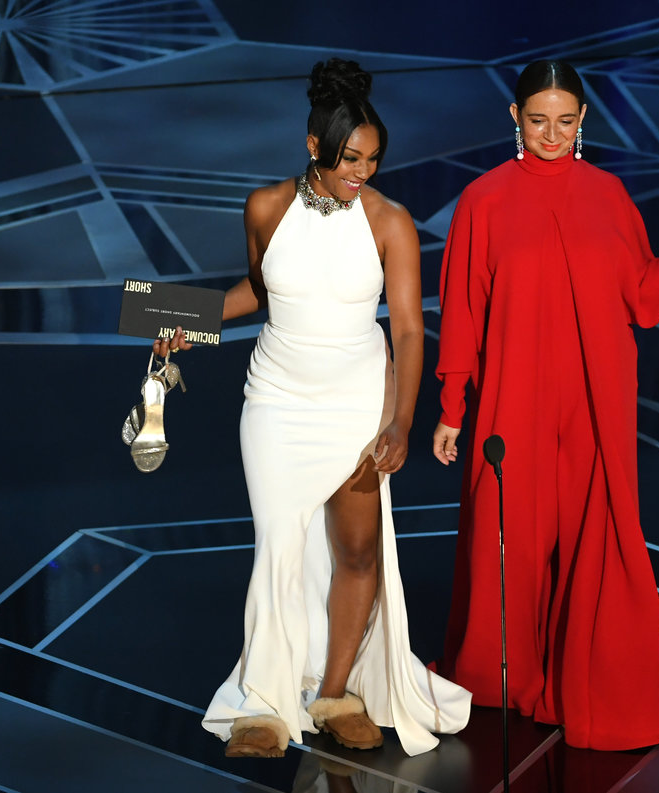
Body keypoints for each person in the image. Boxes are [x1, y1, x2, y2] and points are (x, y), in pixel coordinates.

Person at [157, 58, 470, 759]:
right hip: (276, 400)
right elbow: (259, 290)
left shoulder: (390, 221)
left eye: (373, 159)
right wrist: (185, 320)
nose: (363, 171)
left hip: (358, 405)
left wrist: (401, 421)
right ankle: (265, 707)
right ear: (313, 146)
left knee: (357, 550)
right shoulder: (265, 207)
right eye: (350, 158)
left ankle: (334, 695)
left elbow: (409, 329)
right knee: (278, 547)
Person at [431, 59, 659, 751]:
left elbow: (643, 298)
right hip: (513, 399)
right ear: (515, 117)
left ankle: (591, 689)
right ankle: (503, 676)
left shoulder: (608, 194)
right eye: (538, 120)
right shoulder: (483, 200)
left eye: (565, 121)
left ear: (583, 120)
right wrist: (453, 406)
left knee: (597, 537)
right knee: (511, 539)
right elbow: (462, 313)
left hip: (597, 402)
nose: (552, 134)